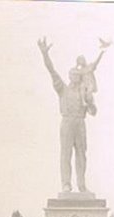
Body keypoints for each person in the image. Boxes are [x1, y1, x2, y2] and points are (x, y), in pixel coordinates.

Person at [37, 37, 97, 193]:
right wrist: (45, 54)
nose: (76, 77)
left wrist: (90, 102)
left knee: (82, 155)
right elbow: (52, 71)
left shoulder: (85, 91)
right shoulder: (63, 89)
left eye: (78, 75)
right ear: (70, 76)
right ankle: (66, 184)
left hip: (80, 123)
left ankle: (82, 185)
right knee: (66, 154)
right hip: (67, 122)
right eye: (73, 75)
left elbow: (94, 112)